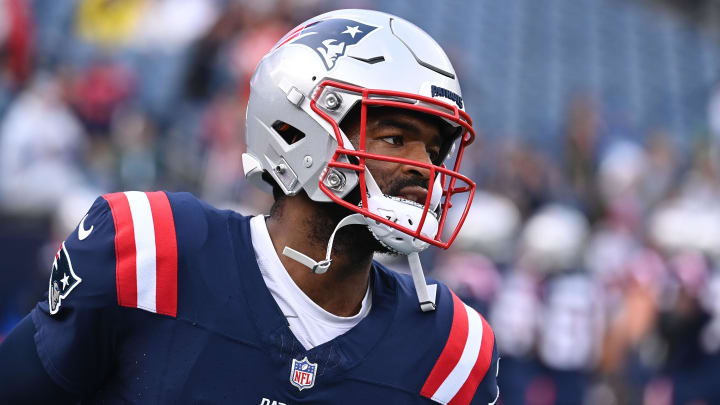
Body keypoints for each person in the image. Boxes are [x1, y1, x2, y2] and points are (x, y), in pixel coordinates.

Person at [0, 9, 499, 404]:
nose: (424, 168)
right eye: (396, 138)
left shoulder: (450, 350)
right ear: (294, 132)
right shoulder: (154, 253)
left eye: (434, 150)